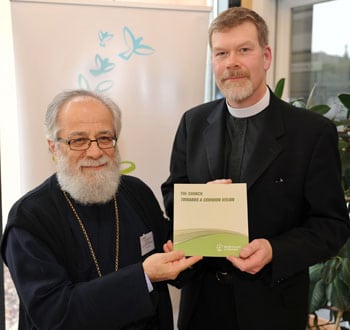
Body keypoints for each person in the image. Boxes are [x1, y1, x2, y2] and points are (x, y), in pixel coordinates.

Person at [161, 7, 350, 330]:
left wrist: (274, 250)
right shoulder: (193, 122)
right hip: (201, 306)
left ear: (266, 56)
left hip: (271, 308)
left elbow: (331, 226)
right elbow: (172, 194)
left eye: (243, 50)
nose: (231, 62)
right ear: (213, 62)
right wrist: (199, 202)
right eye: (221, 52)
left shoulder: (311, 132)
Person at [1, 89, 202, 330]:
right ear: (53, 147)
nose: (95, 152)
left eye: (105, 138)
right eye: (78, 140)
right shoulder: (29, 217)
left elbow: (176, 257)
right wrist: (143, 276)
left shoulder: (136, 192)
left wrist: (206, 205)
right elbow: (55, 313)